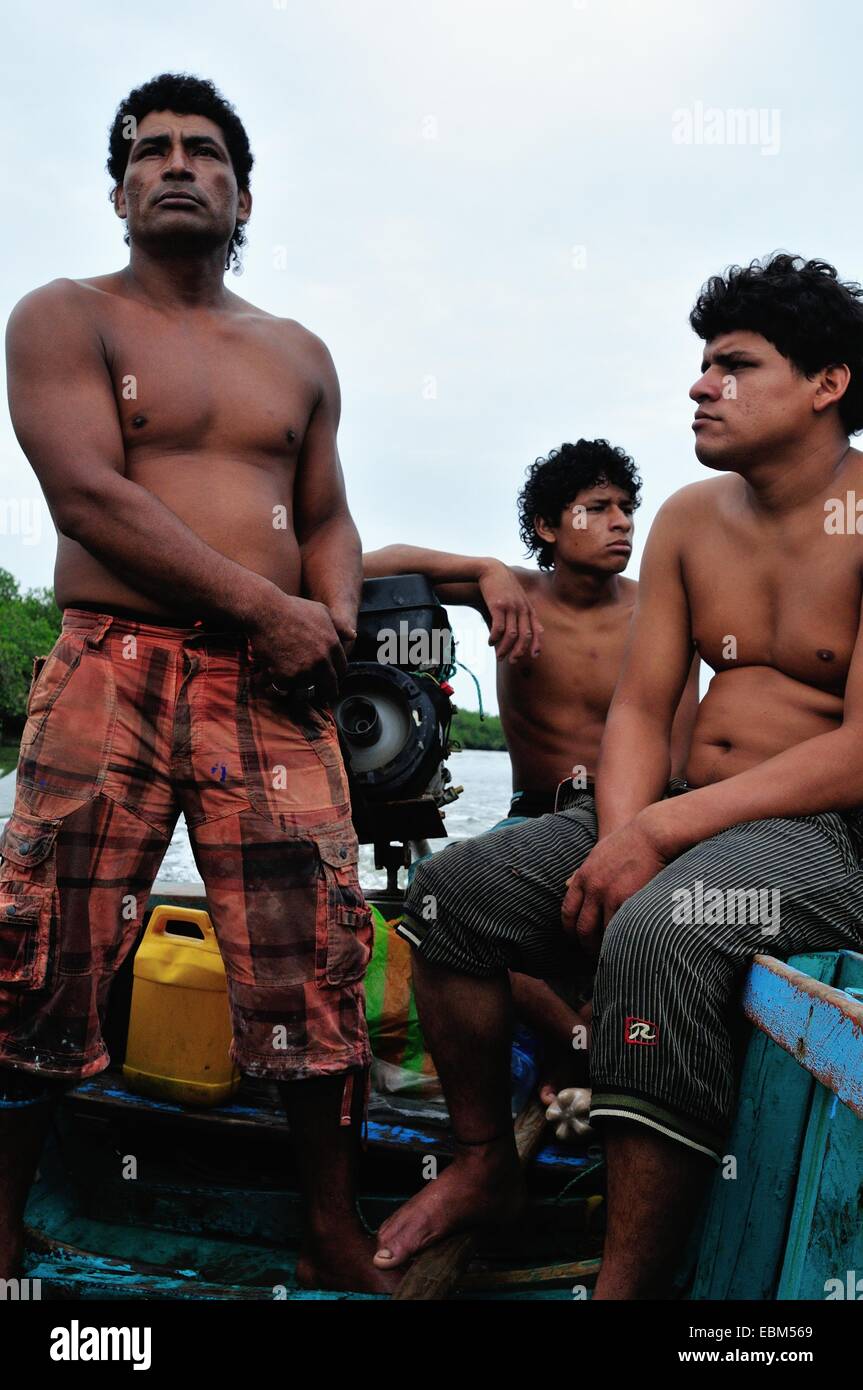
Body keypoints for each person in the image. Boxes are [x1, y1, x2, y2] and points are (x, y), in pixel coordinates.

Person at [373, 253, 863, 1298]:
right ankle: (479, 1165)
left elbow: (858, 748)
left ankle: (625, 1285)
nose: (697, 385)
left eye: (731, 365)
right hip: (686, 813)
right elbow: (642, 708)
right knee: (449, 894)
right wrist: (620, 836)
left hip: (829, 835)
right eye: (697, 364)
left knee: (659, 927)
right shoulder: (692, 519)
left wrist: (657, 843)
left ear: (826, 383)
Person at [0, 73, 391, 1293]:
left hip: (273, 686)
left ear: (244, 193)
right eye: (149, 150)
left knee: (314, 956)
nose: (176, 164)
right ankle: (5, 1223)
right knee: (41, 946)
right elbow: (89, 496)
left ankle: (330, 1227)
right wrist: (270, 608)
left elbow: (327, 515)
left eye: (204, 150)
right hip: (111, 663)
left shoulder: (296, 352)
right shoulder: (66, 316)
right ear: (118, 190)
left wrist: (325, 617)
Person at [364, 444, 699, 1106]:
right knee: (432, 908)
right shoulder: (510, 595)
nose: (622, 523)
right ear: (548, 526)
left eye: (627, 509)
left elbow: (677, 755)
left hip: (635, 820)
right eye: (597, 508)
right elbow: (359, 566)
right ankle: (576, 1038)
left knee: (653, 931)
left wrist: (635, 844)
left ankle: (586, 1053)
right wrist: (483, 569)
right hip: (531, 813)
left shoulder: (657, 612)